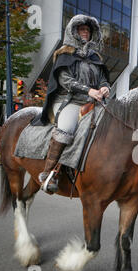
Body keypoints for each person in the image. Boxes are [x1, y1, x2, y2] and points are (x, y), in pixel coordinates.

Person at [34, 15, 110, 193]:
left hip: (93, 102)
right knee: (67, 129)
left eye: (88, 30)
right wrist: (88, 90)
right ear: (74, 31)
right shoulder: (64, 53)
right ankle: (49, 174)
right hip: (68, 101)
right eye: (82, 29)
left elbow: (103, 80)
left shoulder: (95, 57)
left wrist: (105, 88)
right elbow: (64, 80)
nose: (85, 32)